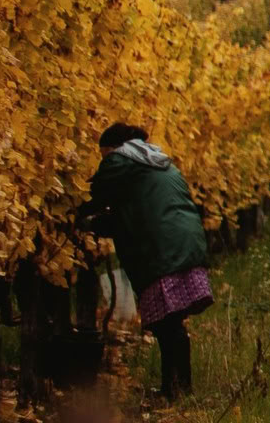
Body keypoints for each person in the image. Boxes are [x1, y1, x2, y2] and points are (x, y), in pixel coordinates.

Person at [81, 124, 213, 401]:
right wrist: (96, 225)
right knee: (173, 321)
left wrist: (75, 213)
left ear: (113, 148)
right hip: (182, 239)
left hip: (163, 247)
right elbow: (134, 212)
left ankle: (177, 391)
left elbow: (94, 197)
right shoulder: (155, 161)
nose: (104, 162)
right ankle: (176, 388)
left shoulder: (120, 160)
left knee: (168, 324)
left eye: (103, 156)